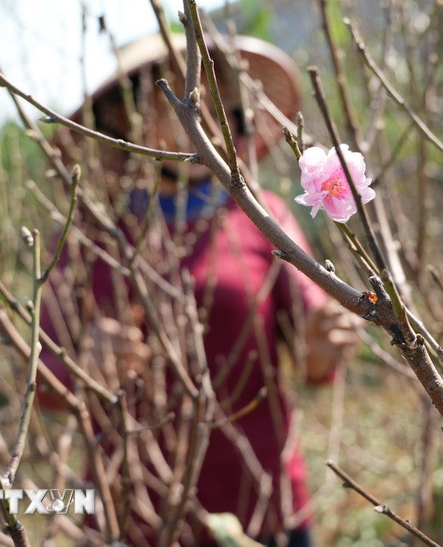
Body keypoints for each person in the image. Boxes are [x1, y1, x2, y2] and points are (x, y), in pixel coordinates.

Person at [39, 31, 358, 546]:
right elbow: (44, 381)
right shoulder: (86, 238)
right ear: (124, 119)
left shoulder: (265, 218)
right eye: (182, 102)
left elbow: (314, 354)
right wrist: (84, 370)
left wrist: (323, 348)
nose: (205, 118)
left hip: (262, 507)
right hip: (134, 512)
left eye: (220, 104)